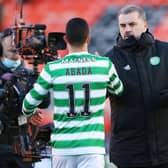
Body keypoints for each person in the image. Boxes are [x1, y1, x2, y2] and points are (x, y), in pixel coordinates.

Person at [22, 17, 123, 168]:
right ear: (88, 38)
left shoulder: (53, 68)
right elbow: (119, 90)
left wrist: (30, 113)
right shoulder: (104, 65)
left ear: (66, 38)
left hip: (63, 148)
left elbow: (28, 103)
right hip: (92, 147)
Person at [105, 4, 168, 168]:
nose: (127, 29)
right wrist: (95, 76)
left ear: (145, 25)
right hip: (128, 154)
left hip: (164, 152)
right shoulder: (110, 60)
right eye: (122, 25)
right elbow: (95, 98)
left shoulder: (165, 51)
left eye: (132, 24)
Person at [0, 28, 33, 168]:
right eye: (10, 38)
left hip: (22, 141)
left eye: (17, 39)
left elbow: (43, 103)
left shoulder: (31, 75)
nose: (14, 43)